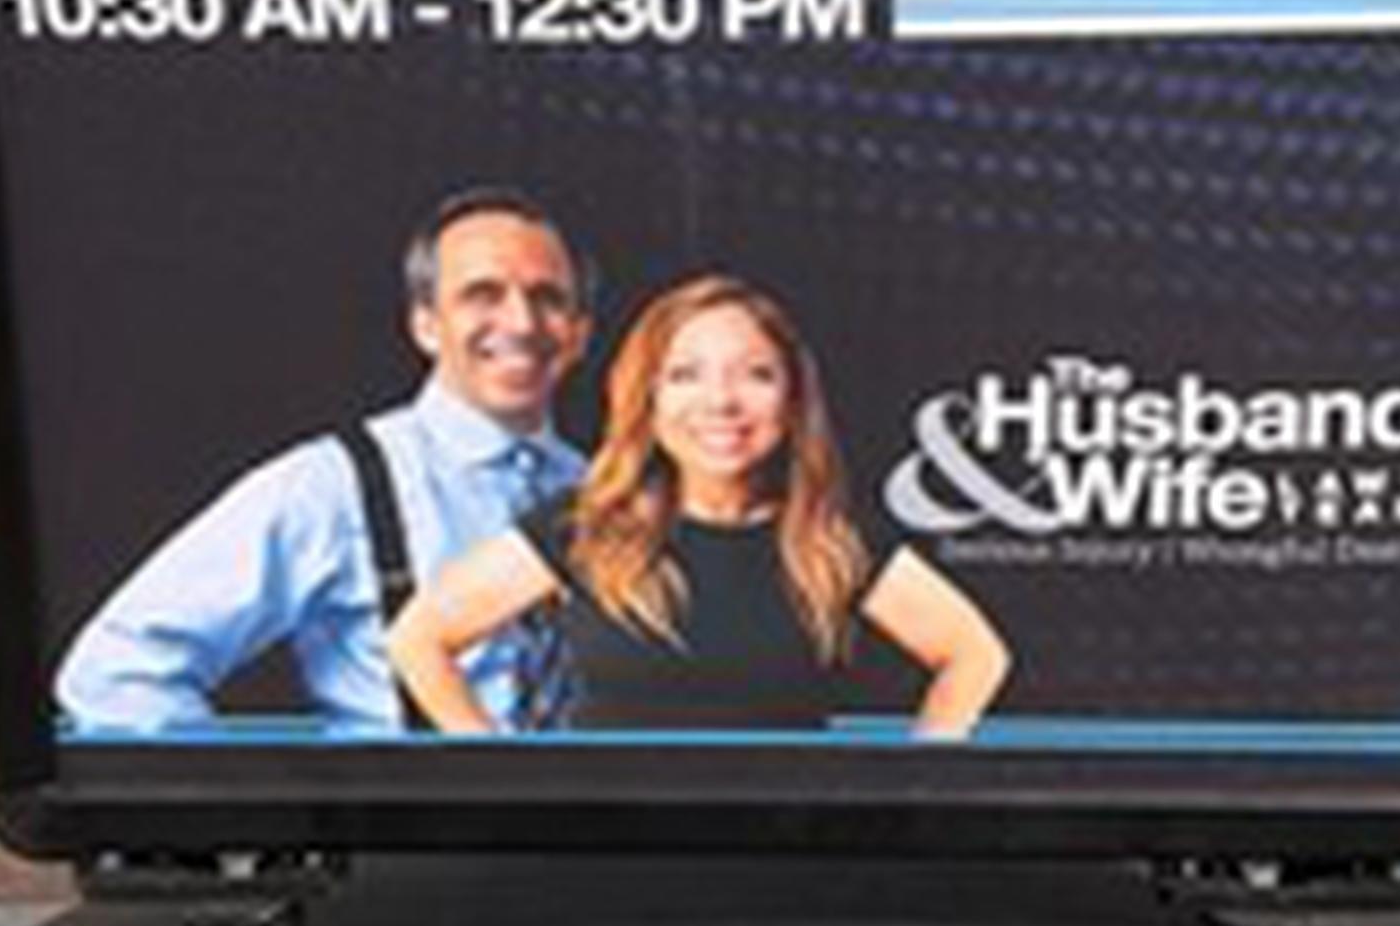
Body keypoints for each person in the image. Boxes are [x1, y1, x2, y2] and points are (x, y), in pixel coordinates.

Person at [50, 191, 594, 739]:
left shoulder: (606, 490)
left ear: (578, 333)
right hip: (410, 820)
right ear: (426, 325)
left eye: (548, 297)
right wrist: (255, 816)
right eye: (483, 294)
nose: (522, 322)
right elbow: (117, 672)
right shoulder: (332, 485)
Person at [387, 273, 1010, 740]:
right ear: (649, 398)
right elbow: (420, 637)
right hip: (602, 859)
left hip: (789, 859)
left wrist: (910, 787)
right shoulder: (584, 526)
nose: (721, 401)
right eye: (685, 375)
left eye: (756, 375)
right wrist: (507, 782)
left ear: (792, 400)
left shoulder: (834, 540)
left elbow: (974, 653)